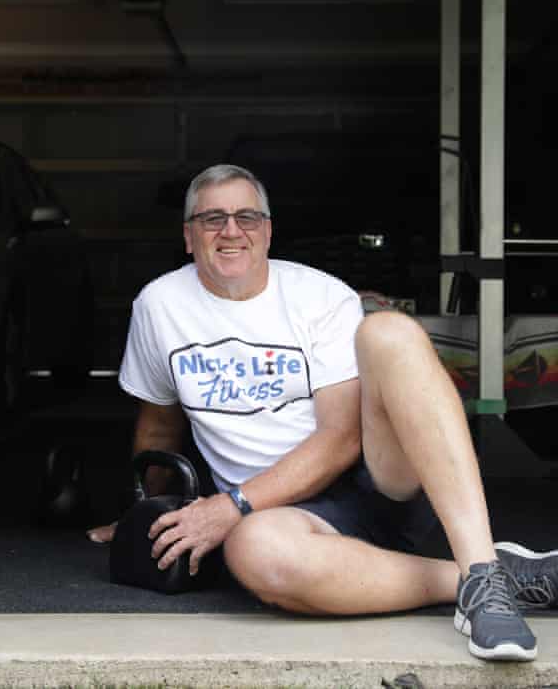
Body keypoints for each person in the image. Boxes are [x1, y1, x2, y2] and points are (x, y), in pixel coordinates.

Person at [89, 163, 558, 662]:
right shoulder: (159, 306)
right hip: (277, 520)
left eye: (247, 217)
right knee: (254, 552)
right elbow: (159, 425)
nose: (231, 230)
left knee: (389, 332)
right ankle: (485, 577)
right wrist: (144, 513)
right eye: (212, 219)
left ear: (267, 231)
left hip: (373, 484)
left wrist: (232, 507)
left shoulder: (320, 295)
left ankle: (481, 570)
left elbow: (340, 439)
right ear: (189, 236)